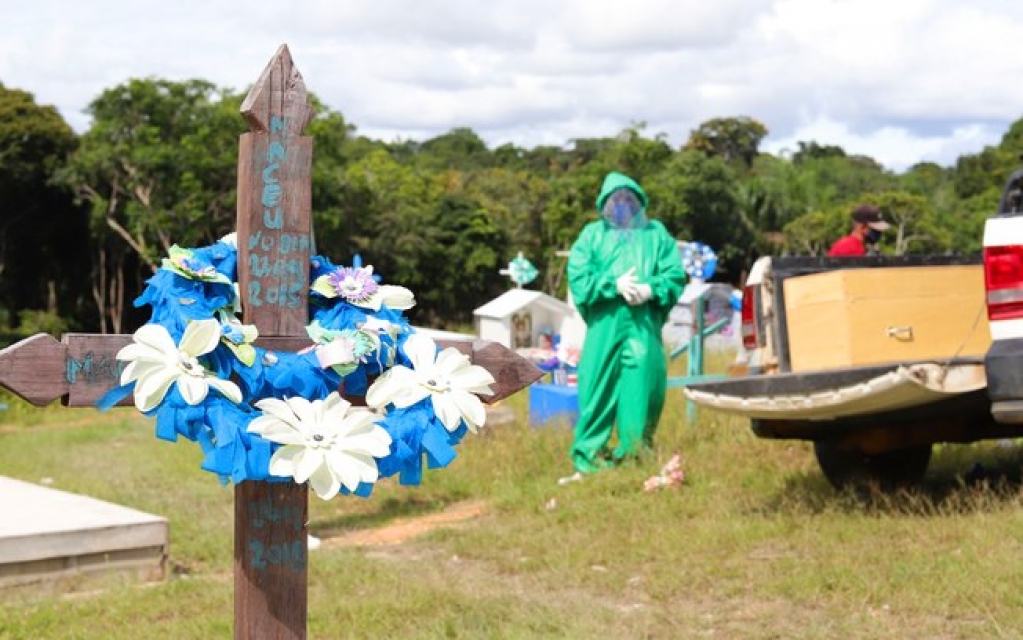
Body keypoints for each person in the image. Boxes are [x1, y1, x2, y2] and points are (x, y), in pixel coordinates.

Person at [560, 172, 687, 484]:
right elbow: (578, 274)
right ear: (604, 202)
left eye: (629, 198)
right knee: (596, 387)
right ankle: (589, 457)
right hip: (605, 326)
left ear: (639, 201)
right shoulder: (592, 235)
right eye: (615, 199)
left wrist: (652, 289)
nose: (622, 205)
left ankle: (634, 456)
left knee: (642, 387)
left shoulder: (657, 235)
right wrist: (610, 284)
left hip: (642, 326)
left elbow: (674, 274)